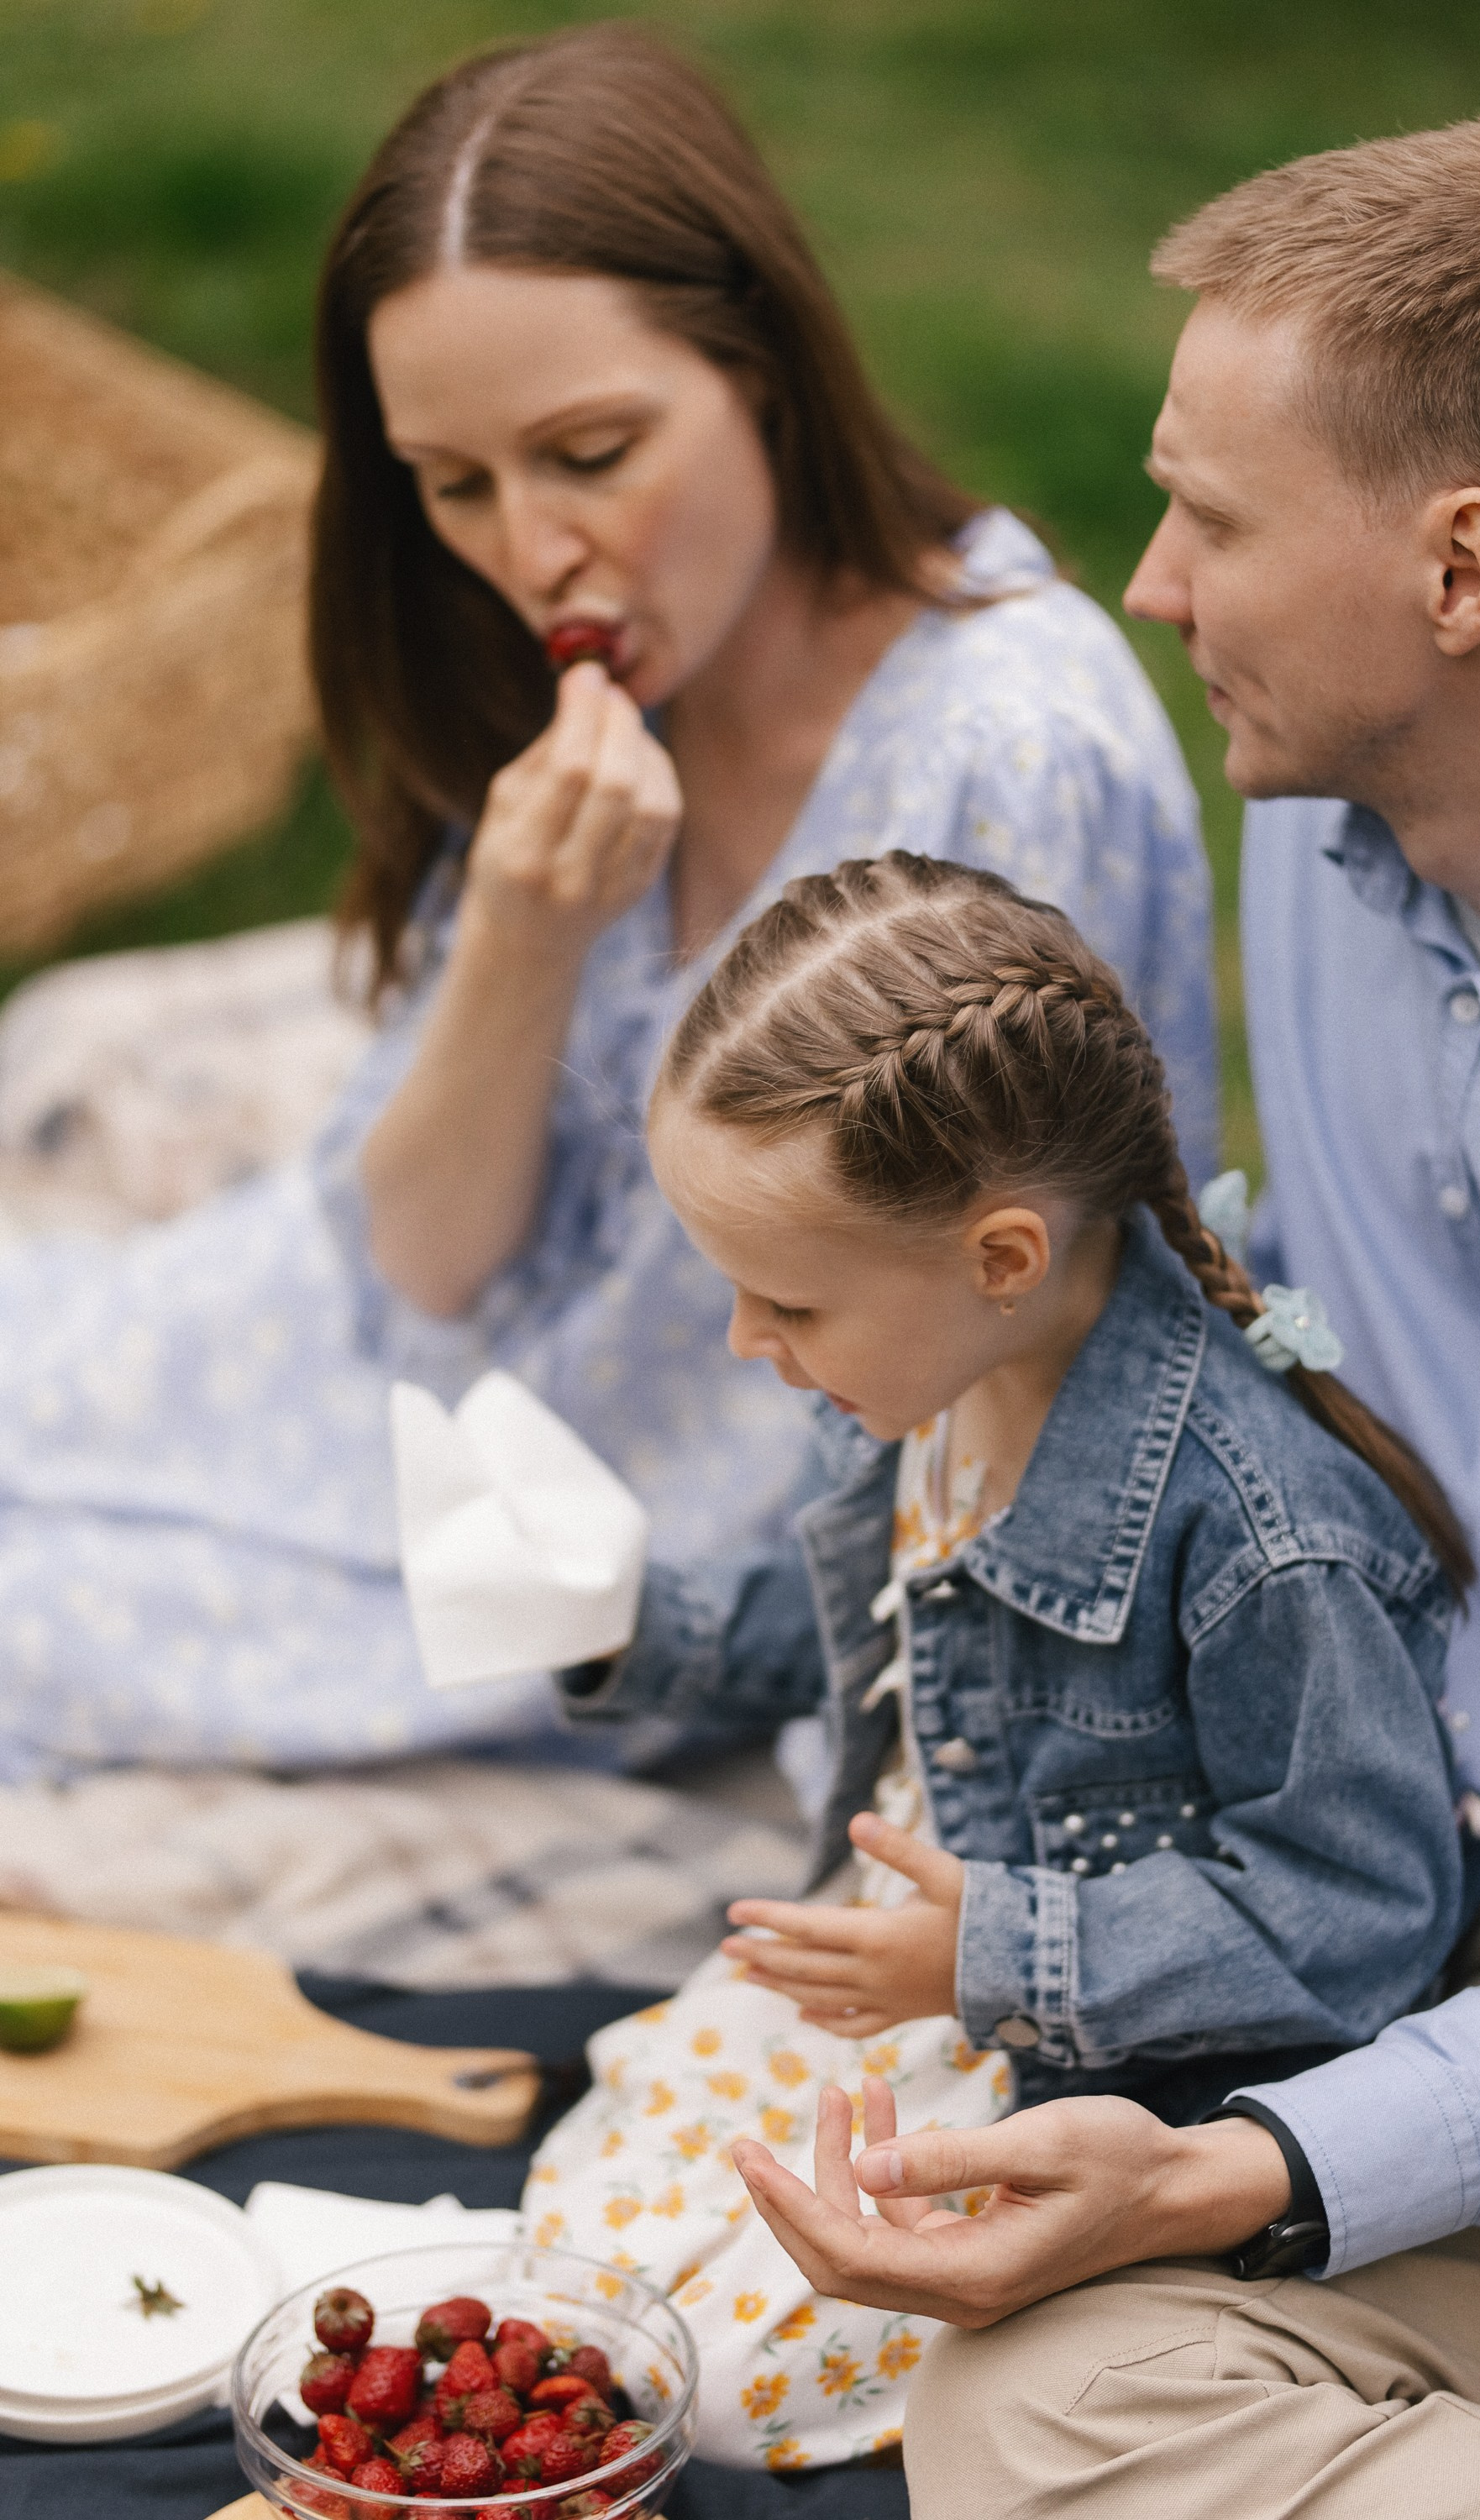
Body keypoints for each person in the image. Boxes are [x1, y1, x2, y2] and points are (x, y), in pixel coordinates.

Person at [730, 118, 1480, 2518]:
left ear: (1465, 567)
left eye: (1212, 521)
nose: (1150, 587)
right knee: (1026, 2407)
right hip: (1432, 1888)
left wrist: (1248, 2166)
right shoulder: (1323, 810)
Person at [0, 24, 1216, 1781]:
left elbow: (961, 1364)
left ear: (762, 370)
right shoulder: (610, 686)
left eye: (590, 452)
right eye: (456, 485)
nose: (529, 550)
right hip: (409, 1374)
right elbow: (416, 1265)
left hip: (638, 1535)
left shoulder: (1000, 761)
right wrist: (520, 935)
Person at [518, 848, 1467, 2469]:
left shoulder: (1261, 1535)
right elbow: (878, 1622)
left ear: (1003, 1257)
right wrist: (633, 1626)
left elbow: (1365, 1910)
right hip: (914, 1974)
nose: (751, 1343)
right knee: (586, 2254)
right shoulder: (921, 1376)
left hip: (1088, 2053)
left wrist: (998, 1957)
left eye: (784, 1302)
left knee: (722, 2383)